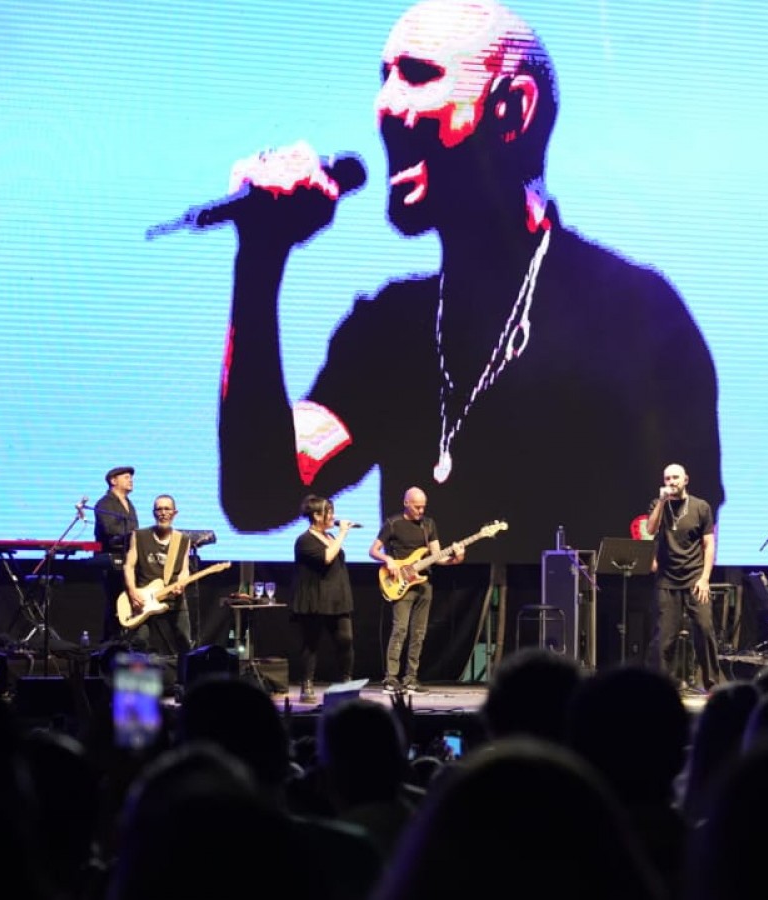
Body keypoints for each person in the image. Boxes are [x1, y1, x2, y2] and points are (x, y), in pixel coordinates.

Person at [216, 0, 722, 562]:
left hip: (575, 621)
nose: (386, 105)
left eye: (418, 75)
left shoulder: (638, 315)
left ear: (514, 109)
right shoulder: (388, 329)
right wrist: (259, 258)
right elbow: (259, 494)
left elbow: (685, 537)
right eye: (385, 79)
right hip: (417, 621)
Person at [370, 487, 465, 694]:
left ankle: (411, 678)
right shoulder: (393, 523)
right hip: (400, 584)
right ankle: (391, 678)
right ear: (406, 503)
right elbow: (373, 550)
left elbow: (437, 557)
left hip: (423, 584)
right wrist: (388, 559)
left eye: (423, 507)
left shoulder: (428, 524)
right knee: (400, 630)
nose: (421, 511)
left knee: (419, 633)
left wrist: (456, 558)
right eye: (416, 507)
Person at [645, 463, 719, 693]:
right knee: (664, 637)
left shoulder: (700, 507)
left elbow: (709, 544)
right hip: (667, 579)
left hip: (695, 578)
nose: (671, 482)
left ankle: (712, 684)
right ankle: (659, 687)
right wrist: (661, 502)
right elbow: (650, 529)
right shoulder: (658, 505)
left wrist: (705, 578)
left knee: (705, 629)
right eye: (667, 479)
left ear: (685, 479)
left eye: (675, 478)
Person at [291, 494, 358, 703]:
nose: (333, 516)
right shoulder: (304, 540)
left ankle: (346, 683)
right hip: (315, 598)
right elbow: (327, 557)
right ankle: (307, 685)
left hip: (337, 598)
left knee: (346, 640)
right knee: (311, 643)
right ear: (317, 516)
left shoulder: (329, 537)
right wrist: (343, 533)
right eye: (329, 513)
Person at [121, 494, 194, 658]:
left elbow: (184, 570)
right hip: (143, 600)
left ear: (175, 513)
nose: (163, 513)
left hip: (173, 597)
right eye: (159, 509)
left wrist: (182, 583)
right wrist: (132, 592)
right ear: (154, 513)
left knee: (184, 641)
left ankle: (184, 673)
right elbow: (128, 566)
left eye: (167, 509)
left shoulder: (183, 540)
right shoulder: (139, 536)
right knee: (139, 642)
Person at [93, 465, 139, 643]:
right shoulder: (105, 503)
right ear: (113, 481)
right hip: (111, 558)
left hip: (129, 558)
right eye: (126, 477)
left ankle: (126, 641)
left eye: (131, 477)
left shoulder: (129, 504)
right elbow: (111, 530)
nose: (130, 480)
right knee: (114, 602)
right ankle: (110, 643)